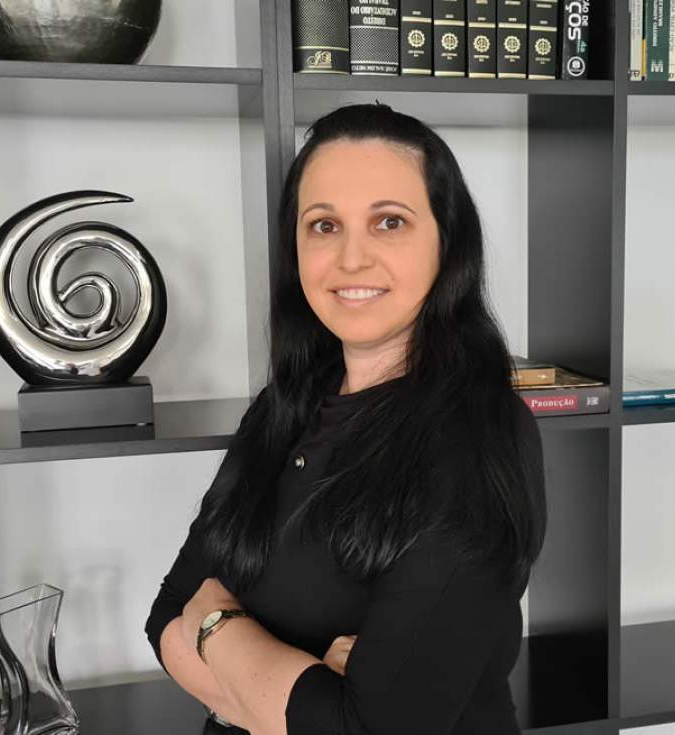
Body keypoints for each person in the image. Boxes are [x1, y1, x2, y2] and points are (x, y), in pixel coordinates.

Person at [144, 102, 547, 735]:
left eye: (389, 222)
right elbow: (166, 615)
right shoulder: (282, 408)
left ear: (447, 244)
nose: (351, 259)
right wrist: (297, 691)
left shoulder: (479, 438)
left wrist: (215, 625)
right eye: (324, 225)